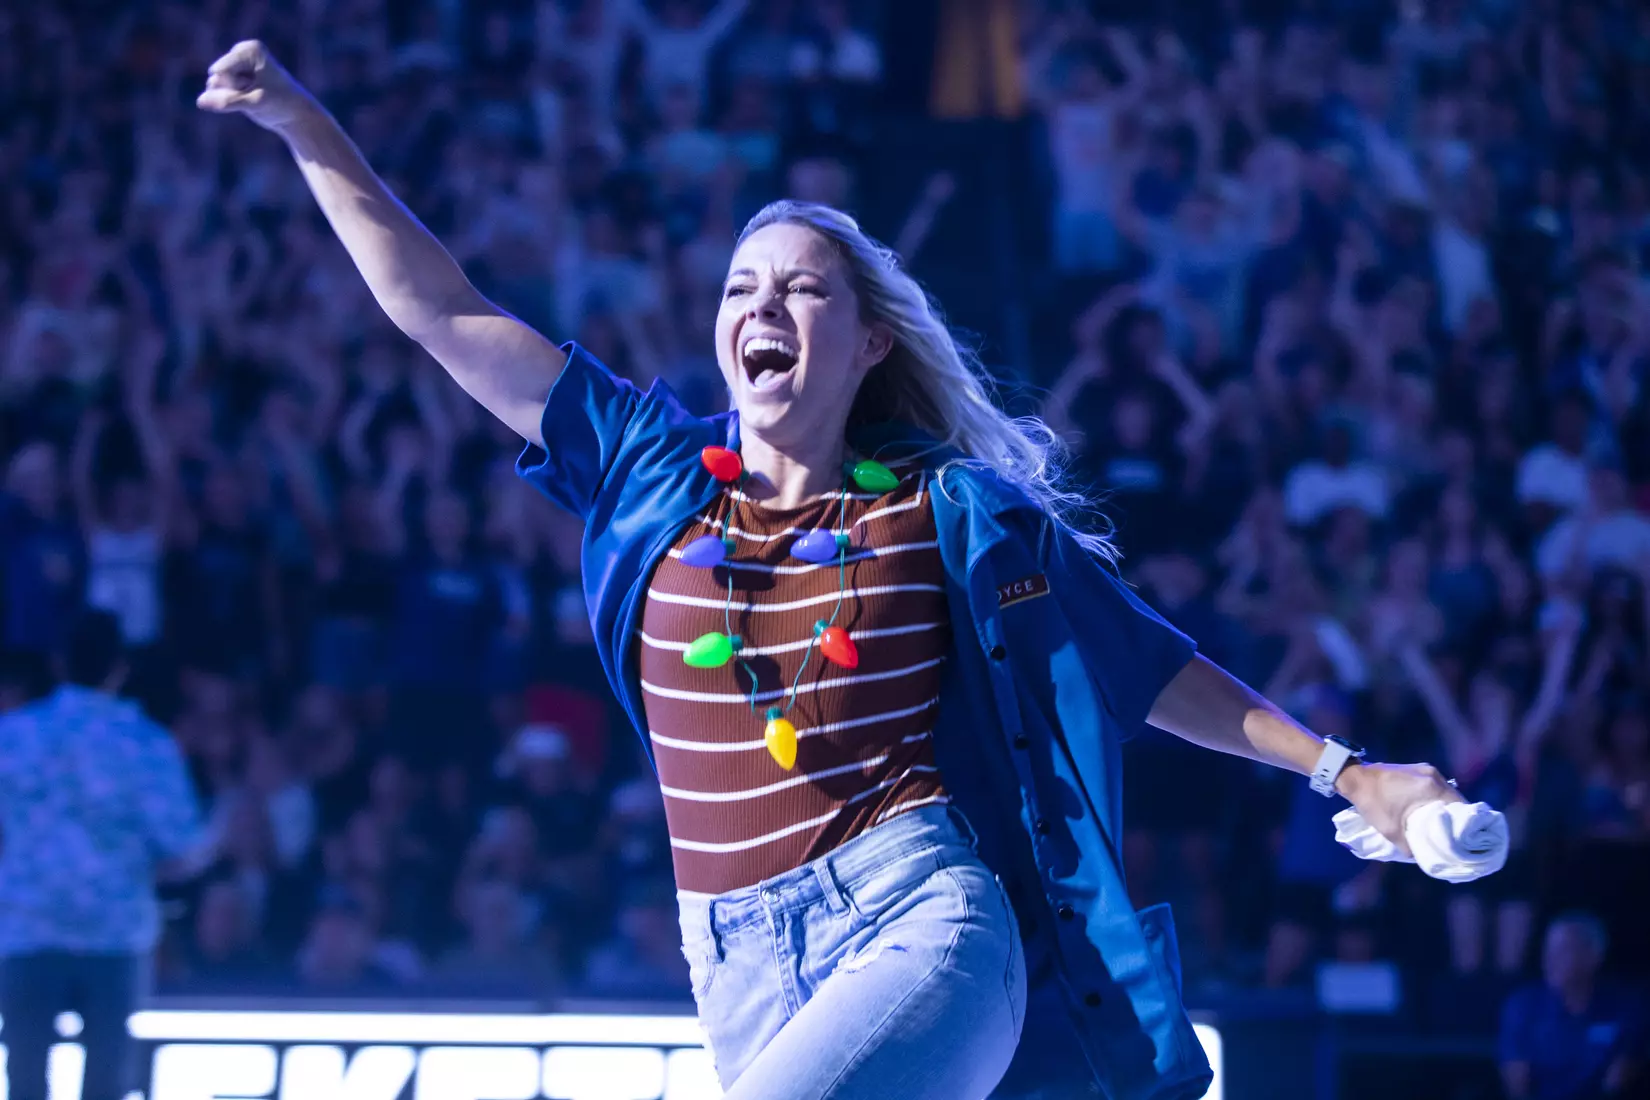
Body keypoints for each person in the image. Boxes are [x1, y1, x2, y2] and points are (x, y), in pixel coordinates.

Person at [199, 40, 1468, 1100]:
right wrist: (305, 124)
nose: (762, 305)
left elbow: (1145, 663)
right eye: (741, 287)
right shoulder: (647, 467)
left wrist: (1355, 773)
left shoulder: (945, 509)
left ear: (866, 343)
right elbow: (442, 309)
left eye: (801, 289)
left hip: (920, 922)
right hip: (735, 970)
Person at [0, 611, 212, 1100]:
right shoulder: (145, 744)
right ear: (121, 667)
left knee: (25, 1080)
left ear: (59, 663)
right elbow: (183, 849)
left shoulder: (14, 736)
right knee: (107, 1085)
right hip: (113, 939)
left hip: (28, 931)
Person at [1499, 913, 1647, 1100]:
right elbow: (1517, 1083)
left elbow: (1618, 1082)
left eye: (1563, 950)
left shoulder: (1626, 1006)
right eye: (1548, 950)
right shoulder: (1523, 1005)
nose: (1550, 960)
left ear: (1593, 956)